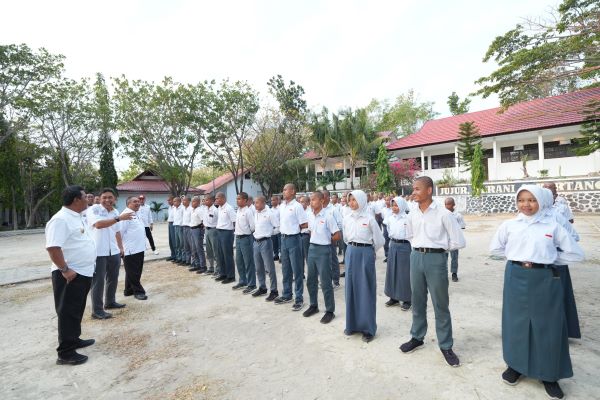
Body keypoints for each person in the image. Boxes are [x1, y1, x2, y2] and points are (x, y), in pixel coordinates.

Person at [489, 185, 584, 400]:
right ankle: (515, 366)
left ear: (541, 201)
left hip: (544, 279)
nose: (526, 204)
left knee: (547, 326)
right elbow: (495, 249)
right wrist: (517, 258)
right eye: (522, 200)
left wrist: (549, 260)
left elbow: (576, 254)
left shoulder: (553, 225)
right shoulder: (510, 225)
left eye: (531, 200)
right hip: (515, 276)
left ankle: (549, 375)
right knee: (516, 324)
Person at [399, 176, 465, 367]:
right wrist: (420, 249)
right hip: (416, 257)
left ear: (429, 190)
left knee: (440, 303)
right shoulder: (412, 213)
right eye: (413, 188)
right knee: (417, 300)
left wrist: (440, 251)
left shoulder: (444, 213)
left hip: (436, 259)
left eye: (417, 189)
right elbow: (409, 235)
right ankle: (417, 337)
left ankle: (446, 345)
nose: (414, 192)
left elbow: (458, 241)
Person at [46, 185, 97, 365]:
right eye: (85, 197)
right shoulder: (60, 219)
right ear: (76, 200)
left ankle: (74, 339)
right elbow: (53, 247)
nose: (88, 199)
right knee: (67, 312)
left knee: (76, 309)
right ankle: (66, 353)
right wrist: (65, 270)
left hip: (83, 271)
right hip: (70, 274)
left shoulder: (77, 216)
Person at [343, 190, 384, 342]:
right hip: (351, 252)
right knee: (351, 288)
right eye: (350, 200)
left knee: (366, 289)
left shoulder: (369, 219)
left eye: (355, 200)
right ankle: (352, 325)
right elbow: (346, 238)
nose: (352, 203)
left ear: (362, 200)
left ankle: (368, 329)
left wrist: (370, 252)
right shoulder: (347, 218)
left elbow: (380, 240)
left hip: (365, 253)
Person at [540, 188, 582, 339]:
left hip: (555, 264)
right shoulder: (525, 217)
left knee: (558, 298)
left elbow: (574, 236)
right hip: (537, 267)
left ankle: (561, 331)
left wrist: (555, 253)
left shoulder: (557, 216)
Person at [87, 188, 133, 319]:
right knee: (98, 281)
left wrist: (120, 247)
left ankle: (110, 301)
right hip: (98, 251)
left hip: (113, 250)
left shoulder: (115, 211)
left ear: (115, 199)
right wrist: (118, 218)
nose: (107, 200)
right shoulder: (94, 210)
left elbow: (117, 231)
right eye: (104, 197)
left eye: (110, 197)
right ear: (100, 199)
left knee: (113, 277)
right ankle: (97, 310)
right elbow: (98, 224)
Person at [304, 191, 341, 324]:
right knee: (311, 280)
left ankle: (330, 311)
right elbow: (310, 231)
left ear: (321, 201)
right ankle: (313, 305)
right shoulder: (309, 215)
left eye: (313, 200)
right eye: (310, 200)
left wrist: (326, 239)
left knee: (325, 282)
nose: (311, 202)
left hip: (324, 250)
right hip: (312, 248)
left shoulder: (328, 216)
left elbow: (337, 235)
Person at [274, 184, 308, 311]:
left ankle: (299, 298)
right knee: (285, 269)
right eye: (282, 189)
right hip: (283, 239)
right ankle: (287, 294)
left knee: (297, 270)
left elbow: (304, 223)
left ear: (293, 191)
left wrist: (294, 229)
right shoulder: (282, 206)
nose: (283, 191)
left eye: (285, 189)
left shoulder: (297, 206)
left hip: (294, 239)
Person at [384, 196, 412, 310]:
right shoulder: (390, 218)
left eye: (396, 205)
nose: (394, 208)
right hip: (393, 246)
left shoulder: (408, 218)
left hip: (405, 246)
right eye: (393, 205)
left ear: (402, 206)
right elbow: (390, 232)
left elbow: (412, 234)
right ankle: (394, 297)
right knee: (392, 272)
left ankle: (407, 299)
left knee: (404, 274)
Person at [120, 196, 148, 300]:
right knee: (134, 272)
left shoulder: (136, 213)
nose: (138, 203)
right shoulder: (125, 215)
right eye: (135, 202)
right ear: (128, 204)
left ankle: (128, 290)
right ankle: (138, 291)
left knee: (132, 271)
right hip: (130, 249)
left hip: (139, 248)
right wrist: (121, 248)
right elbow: (119, 232)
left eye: (138, 201)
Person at [252, 196, 280, 301]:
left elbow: (278, 227)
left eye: (257, 202)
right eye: (254, 203)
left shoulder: (269, 214)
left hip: (266, 242)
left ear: (263, 203)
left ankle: (274, 291)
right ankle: (262, 287)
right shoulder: (255, 213)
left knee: (269, 268)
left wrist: (269, 234)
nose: (255, 204)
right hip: (256, 242)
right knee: (258, 267)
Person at [233, 192, 256, 293]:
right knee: (239, 261)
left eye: (239, 199)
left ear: (245, 200)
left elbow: (253, 227)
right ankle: (243, 280)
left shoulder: (248, 211)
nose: (237, 201)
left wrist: (247, 235)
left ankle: (252, 284)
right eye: (237, 199)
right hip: (238, 238)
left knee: (248, 262)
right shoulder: (238, 210)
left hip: (246, 238)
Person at [215, 192, 237, 284]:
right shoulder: (219, 208)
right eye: (216, 199)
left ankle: (231, 276)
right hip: (219, 232)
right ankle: (223, 273)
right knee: (220, 255)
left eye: (217, 198)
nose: (216, 200)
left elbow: (234, 221)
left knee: (227, 255)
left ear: (223, 198)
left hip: (227, 233)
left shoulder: (229, 208)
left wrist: (233, 234)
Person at [323, 190, 343, 289]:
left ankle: (335, 281)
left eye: (322, 196)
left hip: (331, 238)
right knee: (324, 261)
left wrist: (334, 236)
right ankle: (326, 280)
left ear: (327, 197)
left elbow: (340, 224)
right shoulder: (318, 209)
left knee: (333, 259)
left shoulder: (333, 209)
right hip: (321, 239)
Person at [444, 197, 466, 282]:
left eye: (448, 204)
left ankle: (454, 273)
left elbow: (462, 226)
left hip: (454, 240)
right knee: (443, 257)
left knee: (454, 257)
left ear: (453, 205)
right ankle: (444, 273)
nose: (446, 206)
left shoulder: (458, 215)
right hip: (444, 240)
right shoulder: (443, 214)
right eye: (445, 204)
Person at [202, 194, 220, 276]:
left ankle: (218, 269)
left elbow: (219, 221)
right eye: (204, 200)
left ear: (212, 201)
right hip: (207, 230)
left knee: (215, 250)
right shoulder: (205, 209)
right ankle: (211, 268)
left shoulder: (215, 210)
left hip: (214, 230)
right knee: (208, 250)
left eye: (207, 200)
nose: (205, 201)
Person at [189, 196, 207, 273]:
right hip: (192, 229)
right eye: (191, 201)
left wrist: (201, 230)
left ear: (198, 202)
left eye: (193, 201)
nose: (192, 203)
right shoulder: (193, 210)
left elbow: (204, 221)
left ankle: (203, 266)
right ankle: (197, 264)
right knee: (194, 249)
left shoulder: (200, 210)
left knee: (199, 248)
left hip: (197, 229)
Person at [299, 195, 311, 271]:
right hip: (298, 235)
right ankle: (301, 273)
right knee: (299, 256)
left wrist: (301, 225)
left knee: (307, 256)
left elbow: (309, 224)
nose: (301, 203)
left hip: (306, 236)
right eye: (300, 202)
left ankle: (311, 274)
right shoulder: (298, 210)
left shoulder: (310, 212)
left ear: (307, 203)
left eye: (303, 202)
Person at [172, 197, 184, 264]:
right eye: (173, 201)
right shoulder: (174, 208)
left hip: (181, 227)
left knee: (182, 243)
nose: (174, 203)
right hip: (176, 226)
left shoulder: (182, 208)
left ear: (179, 202)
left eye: (175, 201)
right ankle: (178, 258)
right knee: (177, 243)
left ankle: (183, 259)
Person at [381, 196, 393, 263]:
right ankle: (387, 256)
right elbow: (383, 217)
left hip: (392, 227)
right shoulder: (383, 209)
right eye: (386, 200)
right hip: (385, 226)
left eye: (388, 200)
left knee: (392, 242)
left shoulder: (393, 209)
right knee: (385, 242)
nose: (387, 201)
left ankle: (392, 256)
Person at [270, 195, 281, 261]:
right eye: (271, 200)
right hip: (272, 230)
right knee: (274, 244)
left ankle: (280, 256)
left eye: (273, 200)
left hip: (279, 229)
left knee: (280, 244)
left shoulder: (280, 209)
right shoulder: (270, 210)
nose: (272, 202)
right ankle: (276, 255)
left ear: (277, 201)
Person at [166, 195, 176, 261]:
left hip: (174, 224)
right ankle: (172, 254)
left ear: (173, 200)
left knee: (174, 240)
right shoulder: (169, 207)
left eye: (169, 200)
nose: (168, 201)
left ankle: (176, 255)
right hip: (169, 224)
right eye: (167, 200)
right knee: (170, 241)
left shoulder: (175, 207)